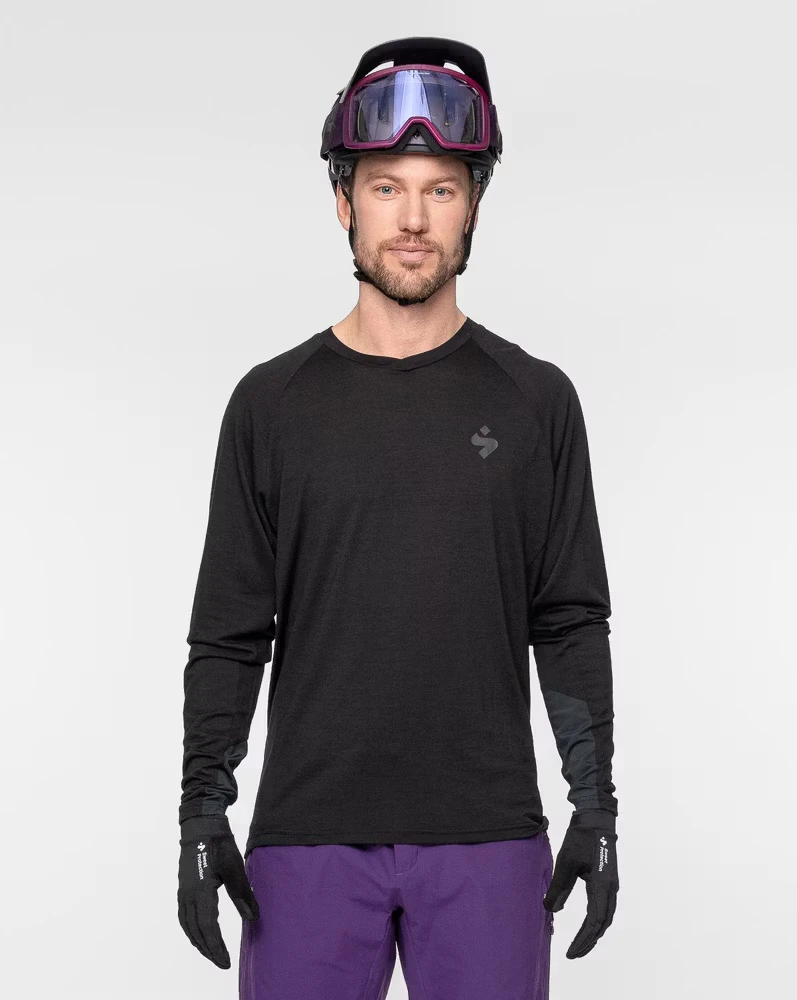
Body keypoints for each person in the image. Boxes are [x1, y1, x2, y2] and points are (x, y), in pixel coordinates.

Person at [176, 35, 620, 999]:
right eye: (386, 187)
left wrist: (596, 806)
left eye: (440, 190)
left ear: (473, 206)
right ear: (344, 201)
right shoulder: (271, 404)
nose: (413, 219)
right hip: (307, 840)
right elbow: (230, 632)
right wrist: (202, 810)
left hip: (488, 839)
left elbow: (569, 619)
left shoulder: (536, 402)